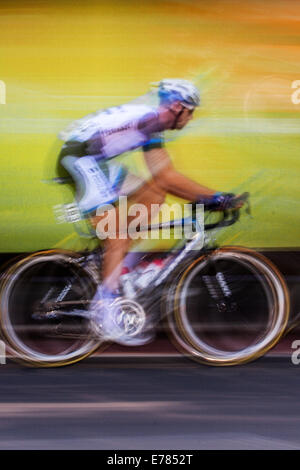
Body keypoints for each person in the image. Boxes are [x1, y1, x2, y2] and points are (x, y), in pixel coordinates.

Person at [58, 78, 242, 344]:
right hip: (79, 160)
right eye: (190, 112)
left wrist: (207, 197)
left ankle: (119, 264)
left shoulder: (150, 120)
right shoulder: (151, 121)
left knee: (154, 193)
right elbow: (168, 176)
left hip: (92, 160)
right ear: (177, 106)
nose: (190, 119)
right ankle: (107, 310)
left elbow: (162, 182)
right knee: (118, 234)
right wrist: (213, 197)